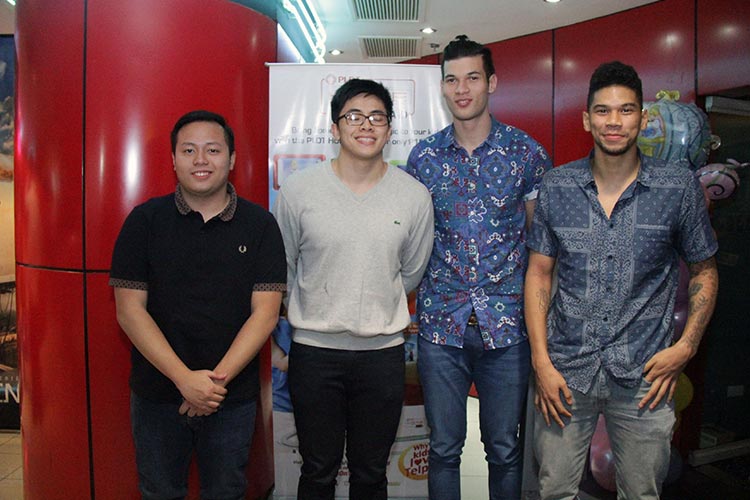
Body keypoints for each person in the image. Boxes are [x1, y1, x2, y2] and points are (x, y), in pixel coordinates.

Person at [525, 61, 719, 499]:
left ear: (643, 119)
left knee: (641, 492)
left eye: (626, 110)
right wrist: (541, 361)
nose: (614, 122)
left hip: (646, 378)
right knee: (554, 490)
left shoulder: (678, 187)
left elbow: (705, 270)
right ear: (586, 118)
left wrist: (686, 347)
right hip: (566, 371)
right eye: (603, 110)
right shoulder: (557, 185)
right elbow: (539, 273)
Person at [110, 110, 286, 499]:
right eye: (189, 150)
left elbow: (266, 313)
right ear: (173, 160)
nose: (201, 160)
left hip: (231, 397)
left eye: (212, 149)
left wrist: (212, 386)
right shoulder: (144, 221)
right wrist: (184, 380)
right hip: (157, 393)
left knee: (226, 492)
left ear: (233, 159)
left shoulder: (260, 226)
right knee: (159, 492)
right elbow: (129, 310)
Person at [405, 35, 552, 499]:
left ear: (491, 82)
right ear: (442, 88)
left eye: (472, 77)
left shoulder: (525, 153)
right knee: (444, 448)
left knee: (504, 449)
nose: (462, 88)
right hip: (440, 328)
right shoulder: (423, 159)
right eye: (452, 79)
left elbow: (541, 245)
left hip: (507, 327)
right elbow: (411, 238)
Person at [273, 78, 434, 500]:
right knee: (318, 471)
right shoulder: (298, 191)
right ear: (334, 127)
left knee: (371, 474)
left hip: (381, 357)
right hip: (314, 353)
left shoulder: (414, 196)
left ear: (389, 128)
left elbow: (412, 271)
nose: (367, 125)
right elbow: (284, 268)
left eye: (377, 117)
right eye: (354, 116)